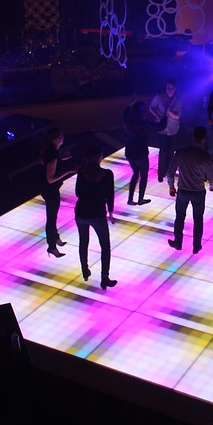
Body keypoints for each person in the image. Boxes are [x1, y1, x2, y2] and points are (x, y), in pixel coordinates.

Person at [167, 126, 213, 254]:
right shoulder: (206, 157)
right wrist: (212, 187)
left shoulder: (180, 153)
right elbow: (212, 178)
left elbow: (170, 172)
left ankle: (178, 242)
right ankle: (196, 245)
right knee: (198, 219)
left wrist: (171, 186)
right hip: (198, 192)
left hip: (183, 190)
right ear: (204, 139)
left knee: (179, 217)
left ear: (192, 137)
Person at [74, 144, 117, 290]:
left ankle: (85, 270)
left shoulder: (81, 171)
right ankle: (104, 278)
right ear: (100, 157)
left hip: (81, 212)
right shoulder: (107, 174)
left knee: (83, 241)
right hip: (97, 213)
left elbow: (78, 193)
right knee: (105, 246)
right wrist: (110, 212)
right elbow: (110, 194)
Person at [39, 127, 75, 257]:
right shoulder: (53, 155)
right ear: (55, 139)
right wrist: (68, 171)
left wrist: (62, 159)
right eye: (61, 136)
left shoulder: (52, 151)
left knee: (53, 217)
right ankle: (52, 247)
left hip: (48, 189)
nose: (63, 137)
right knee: (51, 218)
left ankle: (55, 238)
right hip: (50, 190)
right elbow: (50, 179)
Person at [123, 100, 164, 206]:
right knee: (144, 176)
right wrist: (165, 116)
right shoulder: (144, 123)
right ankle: (140, 199)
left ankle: (130, 199)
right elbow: (160, 127)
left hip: (130, 153)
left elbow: (125, 113)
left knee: (135, 174)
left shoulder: (128, 121)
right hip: (141, 154)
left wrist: (130, 105)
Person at [148, 79, 182, 183]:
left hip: (173, 129)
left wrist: (169, 112)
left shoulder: (178, 101)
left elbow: (177, 116)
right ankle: (160, 173)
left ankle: (170, 173)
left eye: (171, 88)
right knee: (163, 152)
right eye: (168, 88)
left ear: (175, 89)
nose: (169, 90)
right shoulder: (159, 96)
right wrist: (157, 115)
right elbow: (151, 107)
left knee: (171, 152)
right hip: (162, 129)